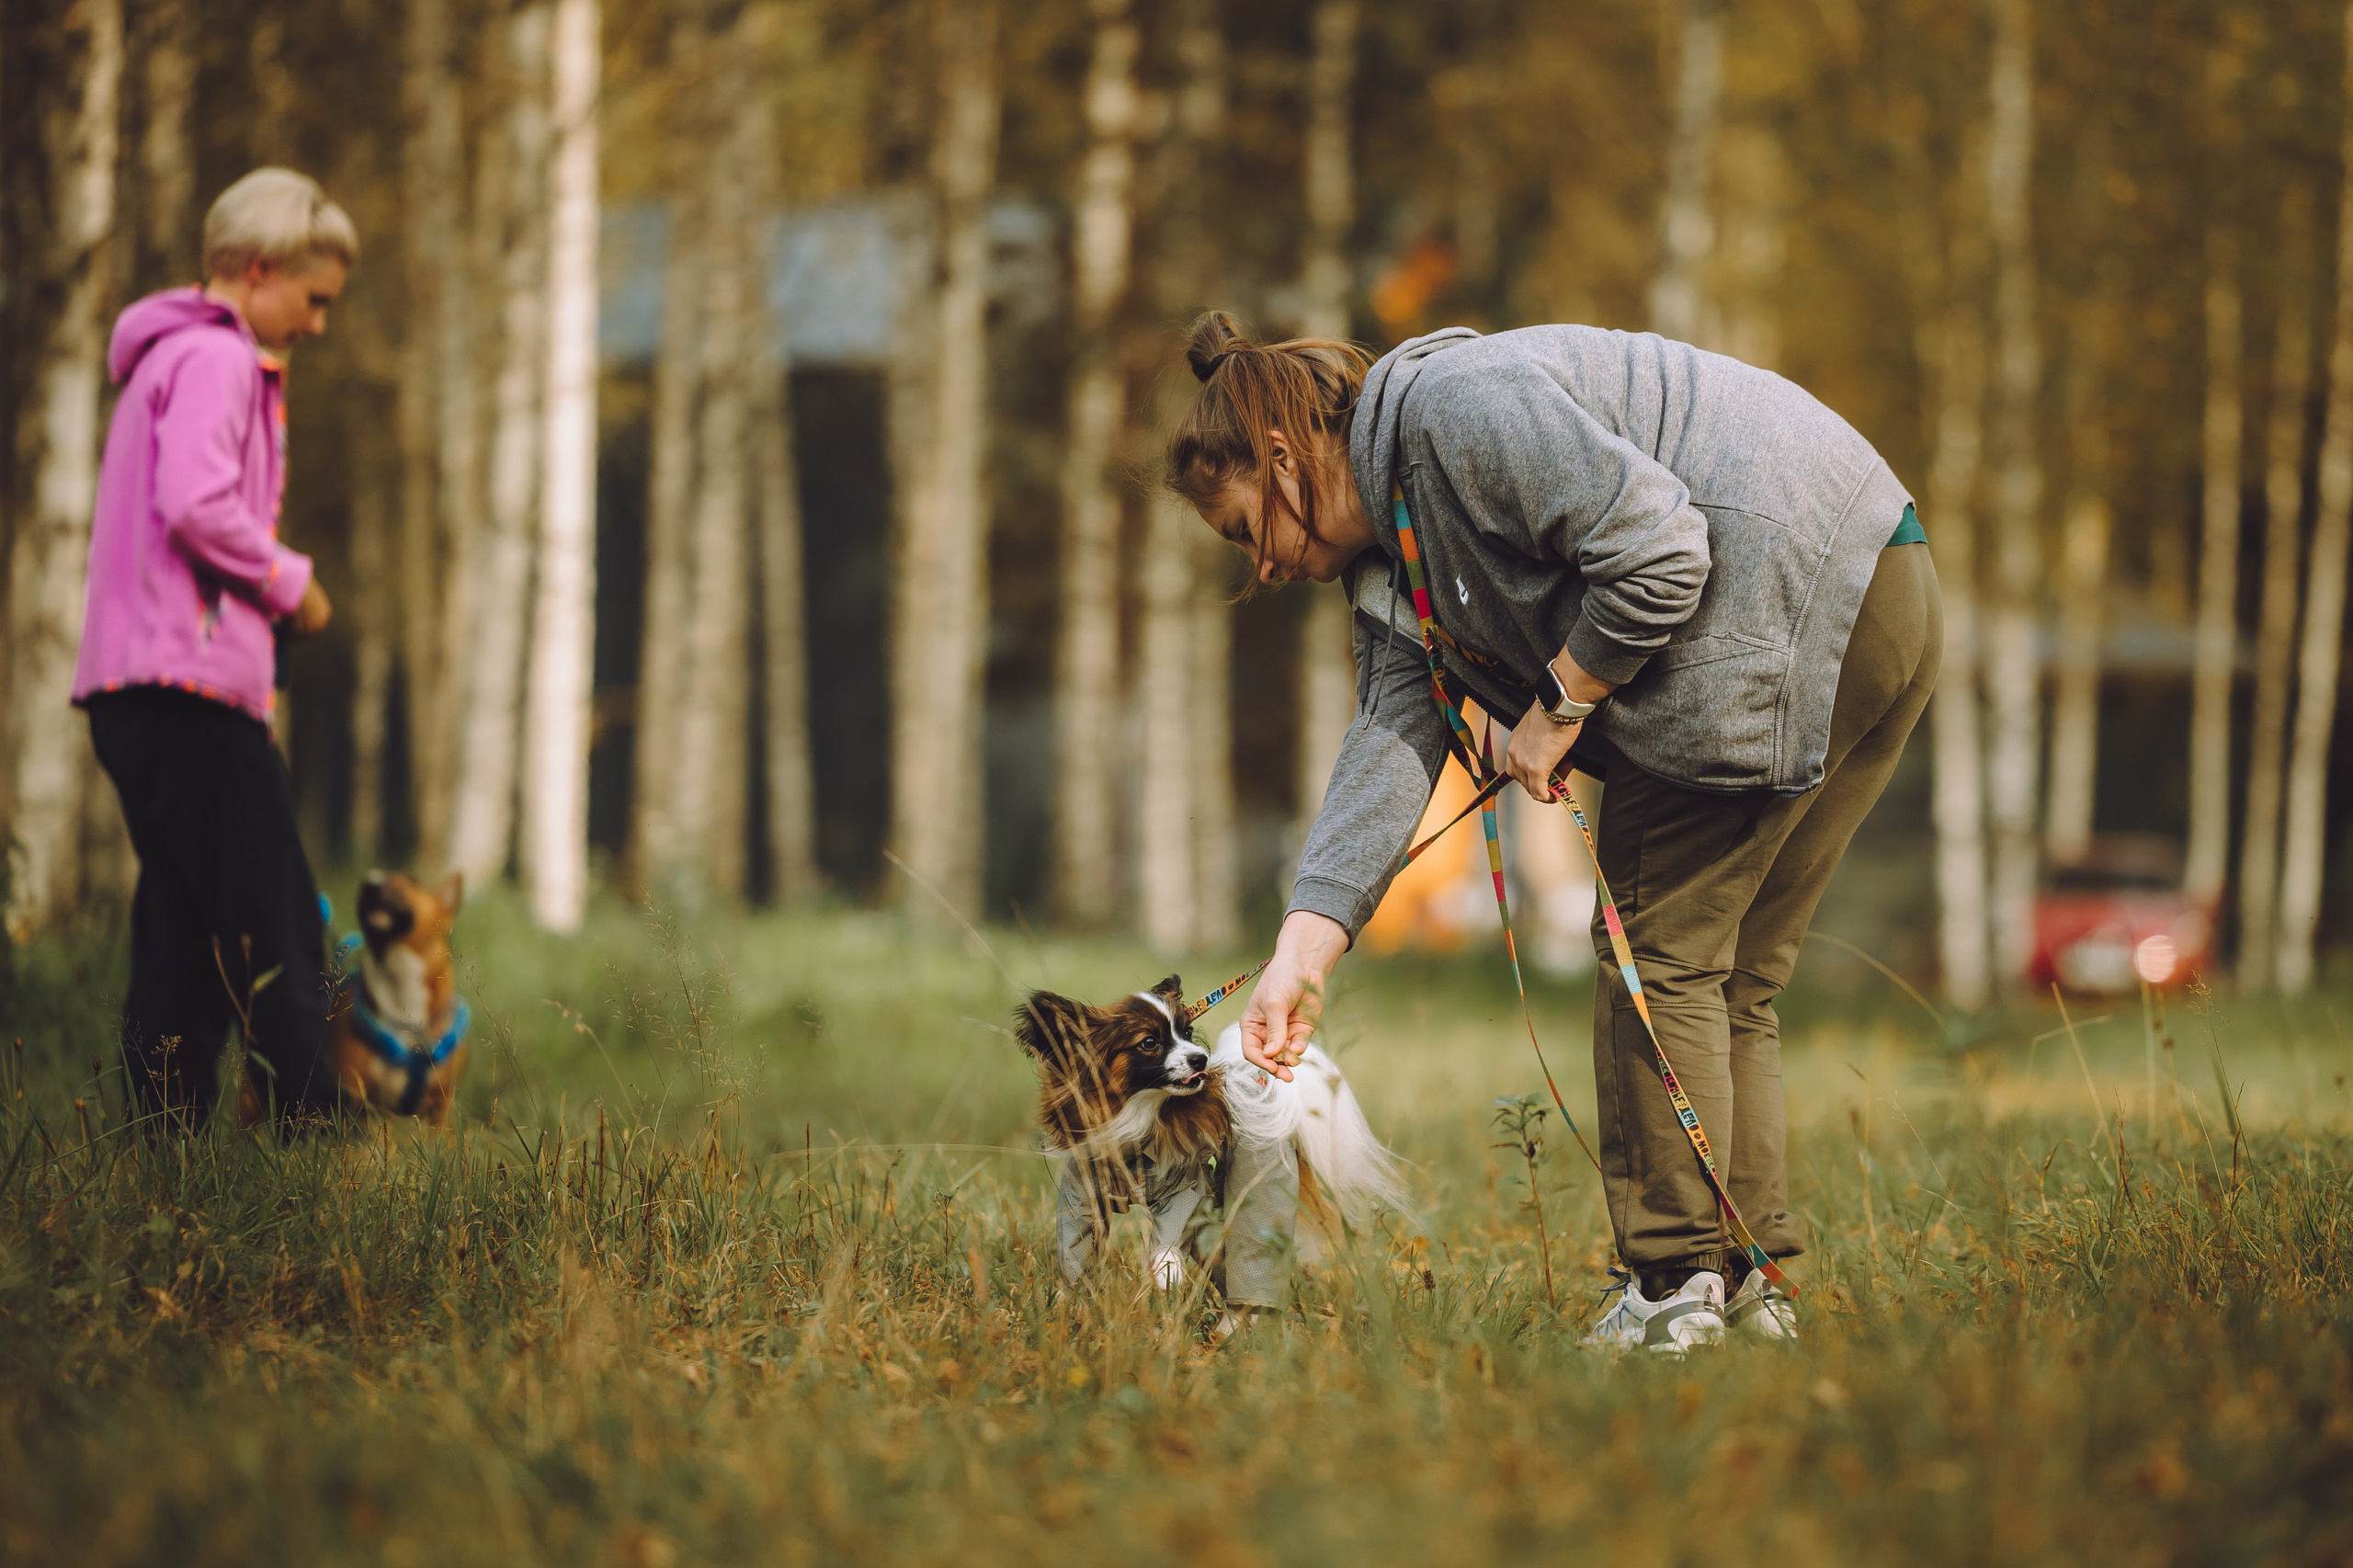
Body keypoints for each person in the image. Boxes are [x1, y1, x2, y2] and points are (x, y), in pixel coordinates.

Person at [1165, 312, 1939, 1346]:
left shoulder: (1453, 413)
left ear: (1280, 456)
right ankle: (1749, 1289)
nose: (1257, 568)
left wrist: (1560, 700)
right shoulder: (1394, 553)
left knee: (1655, 954)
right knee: (1725, 970)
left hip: (1797, 588)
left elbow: (1661, 546)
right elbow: (1391, 740)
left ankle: (1673, 1292)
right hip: (1875, 578)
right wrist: (1299, 956)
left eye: (1242, 529)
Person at [74, 167, 358, 1130]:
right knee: (276, 918)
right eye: (313, 299)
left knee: (184, 932)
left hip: (133, 687)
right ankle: (313, 1133)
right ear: (259, 266)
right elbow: (196, 505)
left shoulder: (165, 359)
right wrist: (288, 579)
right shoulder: (218, 360)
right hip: (187, 688)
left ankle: (166, 1147)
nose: (318, 324)